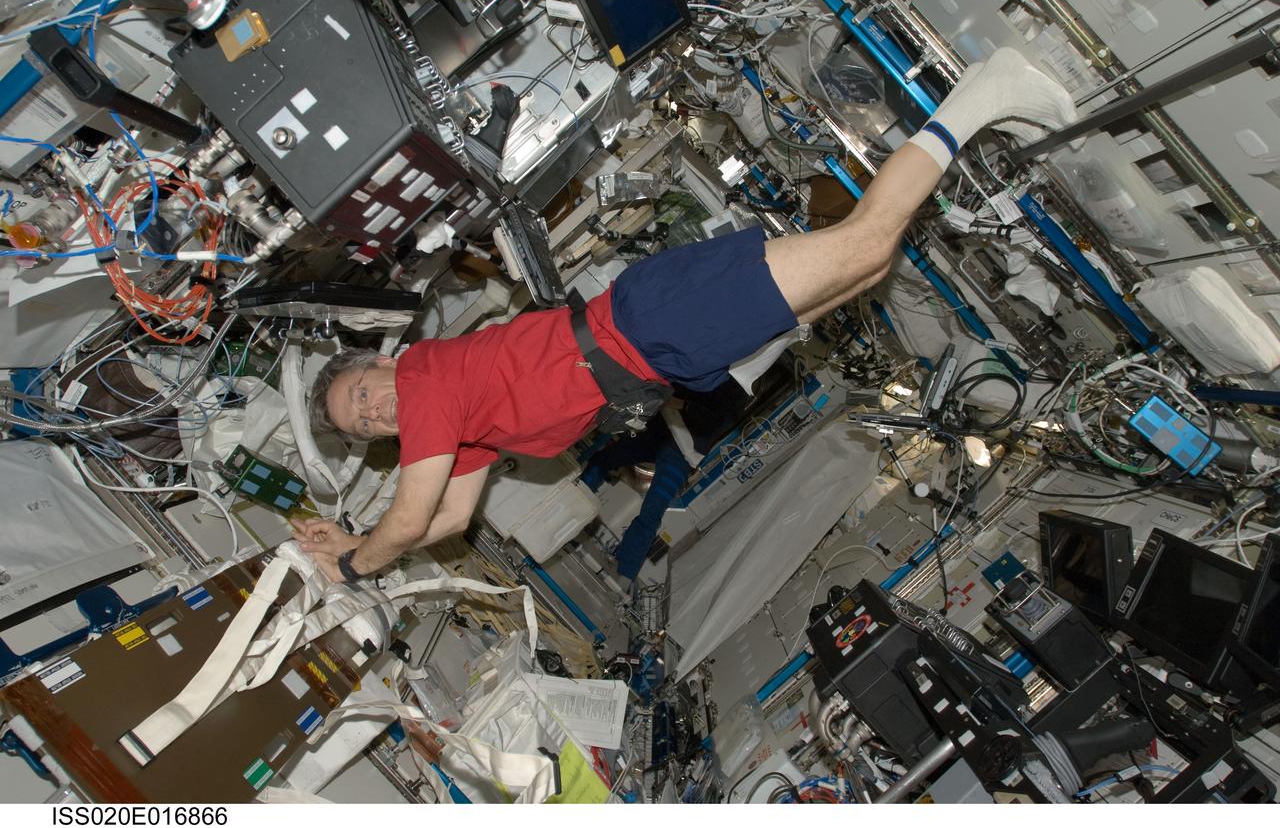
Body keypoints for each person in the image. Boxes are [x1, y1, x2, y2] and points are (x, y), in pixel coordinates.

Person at [292, 48, 1078, 583]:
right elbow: (449, 521)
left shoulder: (426, 384)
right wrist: (359, 543)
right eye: (364, 427)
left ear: (384, 363)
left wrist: (354, 564)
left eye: (361, 394)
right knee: (863, 271)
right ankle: (979, 108)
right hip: (661, 350)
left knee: (864, 244)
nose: (373, 413)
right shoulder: (460, 430)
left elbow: (409, 515)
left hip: (651, 323)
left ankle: (985, 92)